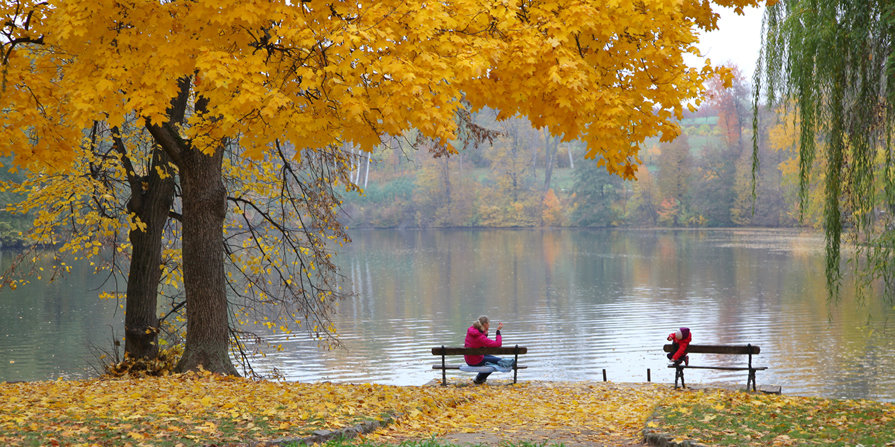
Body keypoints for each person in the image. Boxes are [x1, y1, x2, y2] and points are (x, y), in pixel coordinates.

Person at [465, 315, 503, 384]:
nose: (489, 325)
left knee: (493, 359)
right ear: (485, 324)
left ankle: (479, 379)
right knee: (498, 361)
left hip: (469, 358)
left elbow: (477, 343)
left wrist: (484, 334)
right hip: (476, 360)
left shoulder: (471, 331)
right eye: (488, 323)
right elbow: (498, 344)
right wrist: (498, 331)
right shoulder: (480, 338)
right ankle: (479, 379)